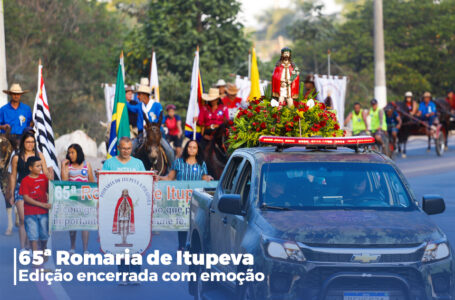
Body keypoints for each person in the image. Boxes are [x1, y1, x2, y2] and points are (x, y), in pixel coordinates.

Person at [102, 136, 145, 285]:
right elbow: (103, 185)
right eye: (123, 148)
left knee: (135, 242)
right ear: (118, 148)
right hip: (116, 207)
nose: (126, 151)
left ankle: (135, 273)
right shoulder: (109, 163)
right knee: (120, 243)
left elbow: (144, 184)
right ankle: (123, 274)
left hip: (136, 208)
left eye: (129, 148)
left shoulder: (138, 164)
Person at [159, 140, 213, 250]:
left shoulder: (201, 164)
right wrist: (158, 177)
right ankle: (182, 246)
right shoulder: (178, 162)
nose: (192, 149)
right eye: (190, 147)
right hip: (181, 198)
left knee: (196, 222)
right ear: (186, 149)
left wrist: (208, 178)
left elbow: (203, 177)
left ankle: (194, 246)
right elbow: (170, 178)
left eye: (194, 147)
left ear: (198, 150)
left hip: (196, 199)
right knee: (182, 222)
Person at [9, 131, 52, 249]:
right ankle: (23, 248)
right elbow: (13, 175)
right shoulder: (16, 157)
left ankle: (31, 243)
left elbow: (46, 172)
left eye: (32, 142)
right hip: (21, 188)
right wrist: (12, 194)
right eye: (28, 142)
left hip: (38, 189)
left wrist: (50, 177)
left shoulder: (40, 156)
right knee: (23, 219)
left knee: (34, 219)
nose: (30, 144)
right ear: (23, 143)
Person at [61, 144, 94, 254]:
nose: (70, 155)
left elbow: (91, 182)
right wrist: (62, 167)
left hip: (85, 198)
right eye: (69, 153)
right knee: (72, 224)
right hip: (72, 198)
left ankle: (85, 249)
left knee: (85, 223)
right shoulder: (68, 166)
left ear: (78, 153)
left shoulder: (87, 165)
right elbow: (64, 182)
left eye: (73, 152)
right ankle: (72, 246)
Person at [19, 156, 51, 255]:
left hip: (43, 213)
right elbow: (26, 198)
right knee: (33, 235)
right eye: (37, 166)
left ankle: (44, 248)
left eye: (40, 166)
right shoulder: (25, 180)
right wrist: (42, 204)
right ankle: (36, 256)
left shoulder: (44, 178)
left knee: (44, 235)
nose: (40, 168)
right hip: (30, 213)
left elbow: (51, 189)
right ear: (30, 168)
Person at [0, 83, 32, 150]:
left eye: (18, 94)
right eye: (14, 94)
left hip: (22, 138)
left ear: (20, 95)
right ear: (11, 94)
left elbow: (30, 124)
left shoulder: (26, 109)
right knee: (4, 159)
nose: (16, 96)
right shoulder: (3, 109)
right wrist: (3, 126)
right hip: (6, 138)